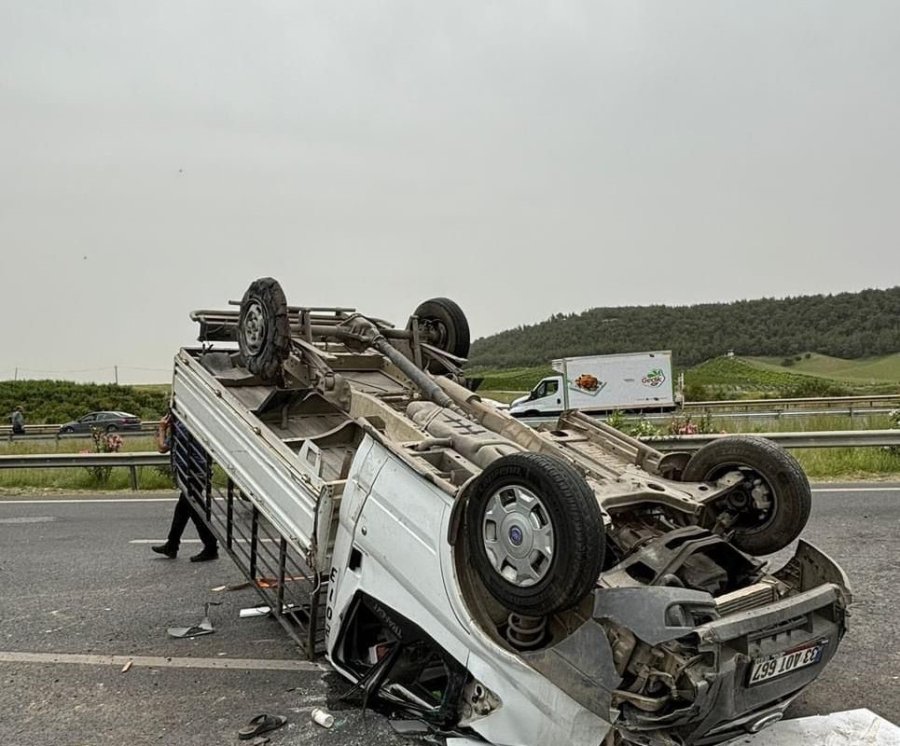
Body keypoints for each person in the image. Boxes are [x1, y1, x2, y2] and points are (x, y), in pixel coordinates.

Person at [151, 411, 219, 562]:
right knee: (183, 509)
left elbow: (162, 448)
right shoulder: (195, 424)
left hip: (190, 472)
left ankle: (211, 547)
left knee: (195, 510)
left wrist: (162, 428)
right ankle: (172, 544)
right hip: (199, 471)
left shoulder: (181, 427)